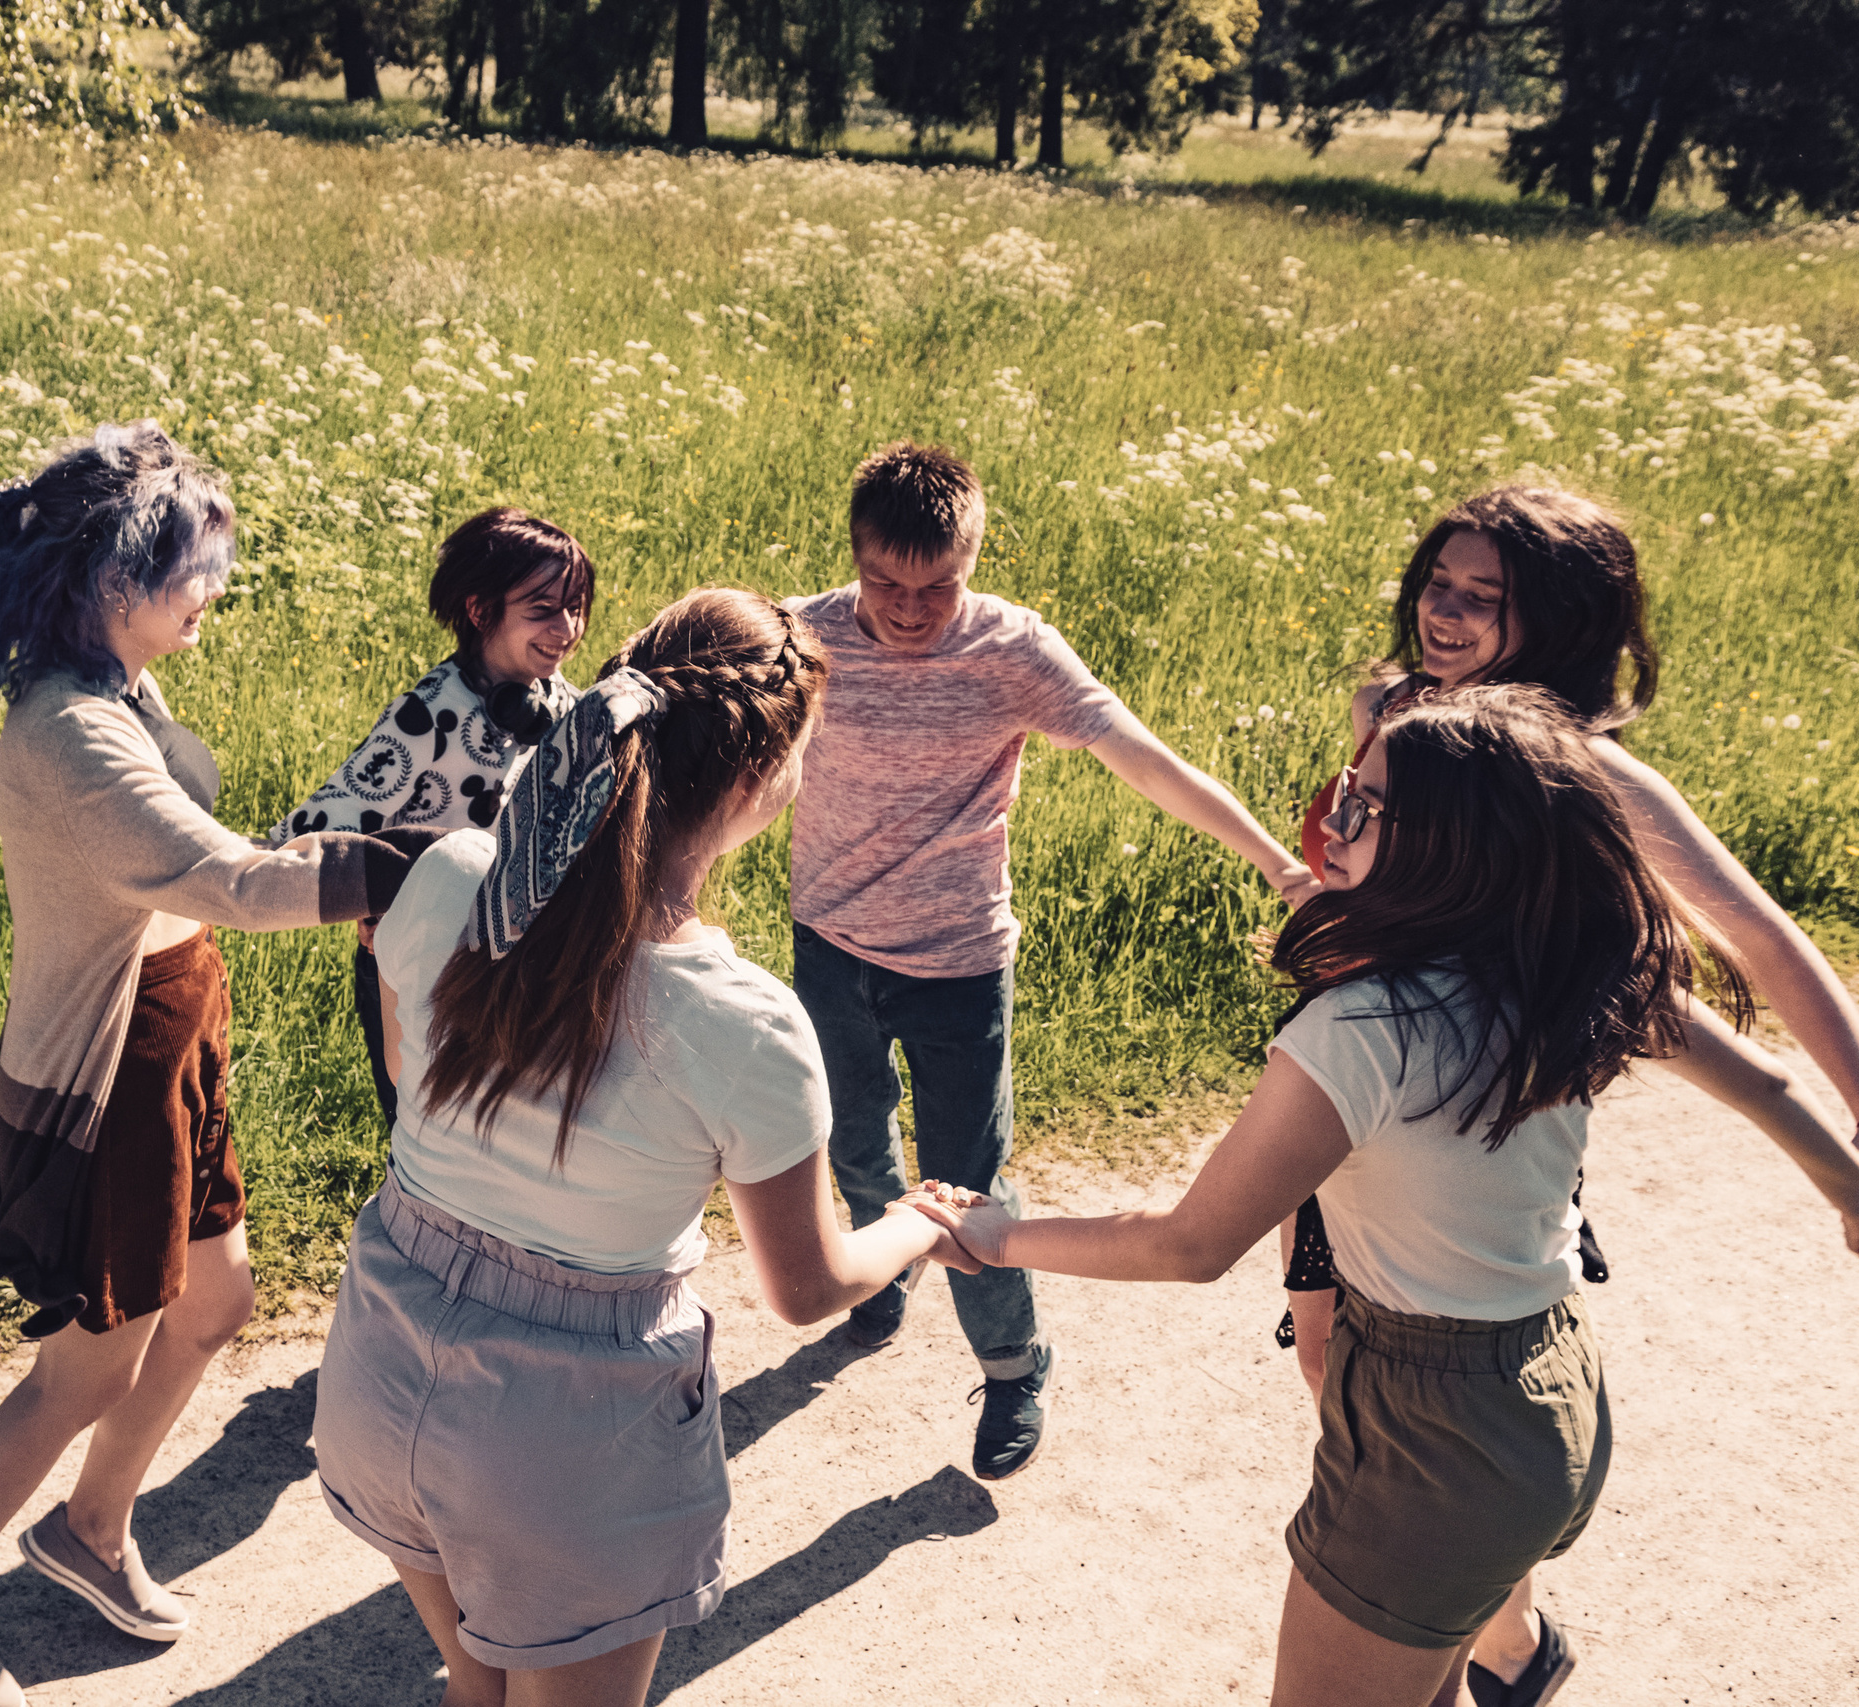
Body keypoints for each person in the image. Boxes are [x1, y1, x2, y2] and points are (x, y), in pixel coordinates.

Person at [914, 685, 1859, 1707]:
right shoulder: (1571, 967)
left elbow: (1188, 1244)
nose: (1331, 819)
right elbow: (1770, 1086)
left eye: (1364, 805)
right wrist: (1858, 1195)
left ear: (1448, 846)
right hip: (1552, 1387)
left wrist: (995, 1236)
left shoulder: (1362, 1031)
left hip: (1432, 1436)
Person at [1280, 486, 1859, 1703]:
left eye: (1485, 599)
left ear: (1560, 624)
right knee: (1325, 1352)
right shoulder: (1390, 708)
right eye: (1438, 583)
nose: (1446, 613)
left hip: (1477, 1119)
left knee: (1437, 1370)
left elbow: (1756, 935)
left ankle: (1484, 1620)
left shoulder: (1585, 774)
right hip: (1349, 1080)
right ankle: (1483, 1610)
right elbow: (1378, 860)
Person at [312, 587, 983, 1707]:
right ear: (765, 779)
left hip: (377, 1360)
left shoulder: (451, 875)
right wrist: (919, 1222)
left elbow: (405, 1073)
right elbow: (807, 1286)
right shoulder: (743, 1025)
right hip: (561, 1442)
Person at [0, 424, 415, 1707]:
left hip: (173, 1035)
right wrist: (427, 858)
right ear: (115, 583)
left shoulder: (117, 679)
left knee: (216, 1304)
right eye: (196, 570)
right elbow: (228, 878)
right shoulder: (69, 734)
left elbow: (210, 861)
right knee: (89, 1367)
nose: (213, 589)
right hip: (102, 1074)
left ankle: (86, 1532)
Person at [785, 440, 1322, 1480]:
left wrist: (1274, 864)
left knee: (964, 1186)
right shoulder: (799, 637)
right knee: (851, 1142)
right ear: (851, 555)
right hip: (829, 947)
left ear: (973, 560)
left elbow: (1146, 760)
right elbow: (676, 704)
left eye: (933, 585)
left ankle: (1012, 1363)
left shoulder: (1012, 652)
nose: (905, 607)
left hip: (956, 966)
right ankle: (876, 1273)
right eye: (882, 582)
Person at [271, 507, 591, 1125]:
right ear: (479, 611)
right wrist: (370, 897)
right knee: (420, 1121)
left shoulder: (564, 709)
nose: (567, 627)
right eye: (543, 608)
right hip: (416, 961)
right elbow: (319, 827)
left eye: (575, 606)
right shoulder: (429, 716)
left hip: (516, 959)